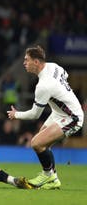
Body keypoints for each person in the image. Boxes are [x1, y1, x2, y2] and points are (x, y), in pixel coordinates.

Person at [7, 45, 84, 189]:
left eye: (27, 60)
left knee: (36, 143)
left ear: (36, 62)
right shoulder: (54, 66)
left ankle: (48, 175)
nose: (24, 63)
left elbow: (35, 114)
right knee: (42, 143)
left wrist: (16, 114)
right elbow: (65, 74)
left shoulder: (43, 85)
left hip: (72, 117)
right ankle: (53, 178)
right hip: (59, 113)